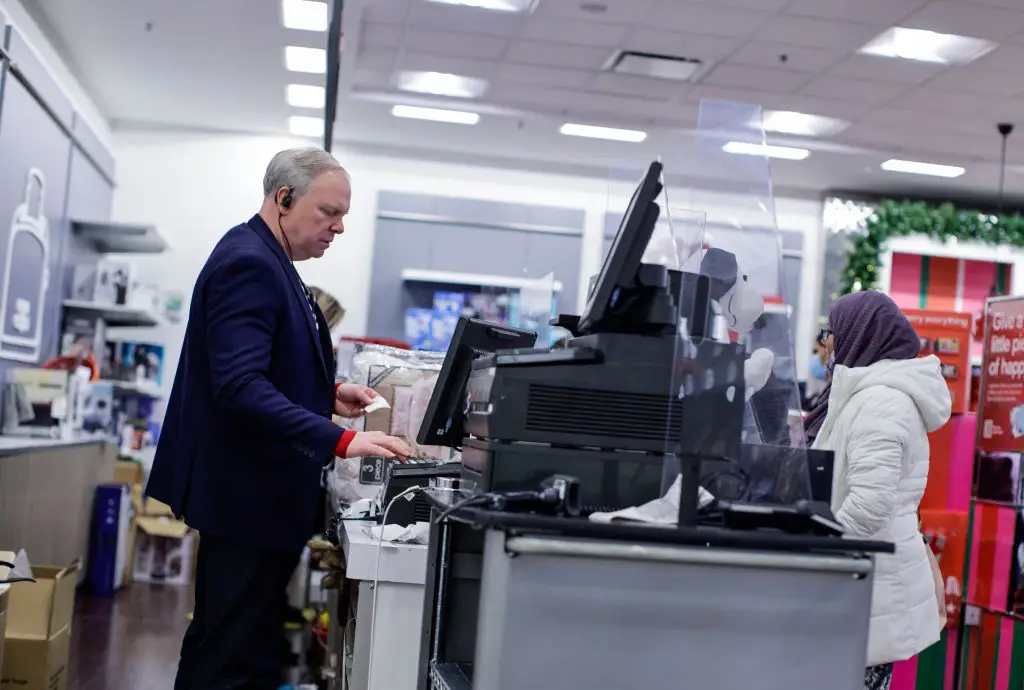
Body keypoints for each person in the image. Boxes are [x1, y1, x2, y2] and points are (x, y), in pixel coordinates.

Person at [146, 148, 414, 689]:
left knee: (237, 640)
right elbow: (240, 388)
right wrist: (341, 440)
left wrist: (330, 392)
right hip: (245, 495)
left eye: (344, 216)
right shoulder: (250, 263)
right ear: (284, 198)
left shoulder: (273, 261)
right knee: (228, 650)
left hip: (256, 496)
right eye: (329, 213)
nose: (339, 228)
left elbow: (264, 367)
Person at [804, 291, 949, 690]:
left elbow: (869, 505)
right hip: (862, 585)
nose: (827, 343)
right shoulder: (865, 395)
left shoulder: (881, 402)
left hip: (869, 590)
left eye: (831, 332)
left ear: (860, 333)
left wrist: (813, 541)